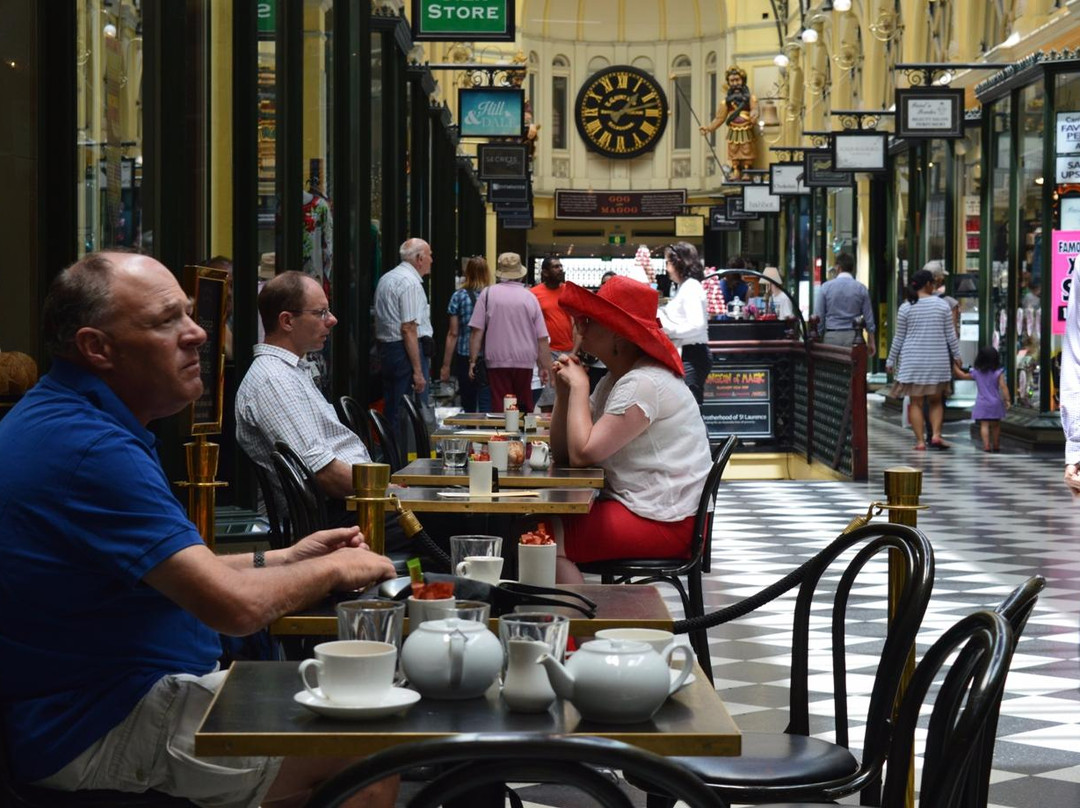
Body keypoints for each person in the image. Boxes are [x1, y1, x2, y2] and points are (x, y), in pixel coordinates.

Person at [0, 251, 398, 808]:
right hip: (93, 722)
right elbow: (228, 607)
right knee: (370, 752)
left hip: (102, 701)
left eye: (190, 314)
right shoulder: (90, 448)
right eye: (167, 322)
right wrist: (334, 566)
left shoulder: (74, 420)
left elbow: (176, 572)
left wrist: (287, 558)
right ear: (96, 348)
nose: (198, 334)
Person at [546, 276, 711, 583]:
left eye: (591, 320)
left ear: (618, 334)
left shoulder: (642, 382)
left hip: (667, 521)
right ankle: (571, 623)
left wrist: (580, 386)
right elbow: (564, 455)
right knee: (530, 530)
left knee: (536, 536)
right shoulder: (616, 379)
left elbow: (583, 455)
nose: (580, 326)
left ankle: (575, 627)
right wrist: (564, 394)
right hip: (645, 508)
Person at [886, 268, 962, 451]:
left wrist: (890, 360)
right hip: (937, 360)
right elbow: (950, 335)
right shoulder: (942, 305)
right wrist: (957, 355)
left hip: (913, 362)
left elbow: (899, 337)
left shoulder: (906, 307)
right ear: (928, 284)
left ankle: (920, 441)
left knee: (917, 403)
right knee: (936, 401)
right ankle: (936, 435)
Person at [468, 252, 552, 412]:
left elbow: (476, 332)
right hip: (525, 360)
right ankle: (523, 434)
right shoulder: (530, 297)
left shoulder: (487, 294)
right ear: (520, 274)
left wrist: (472, 361)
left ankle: (503, 435)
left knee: (501, 405)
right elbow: (541, 338)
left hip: (496, 360)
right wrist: (544, 367)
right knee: (524, 404)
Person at [374, 237, 433, 442]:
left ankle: (392, 454)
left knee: (393, 405)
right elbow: (408, 328)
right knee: (405, 409)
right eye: (429, 255)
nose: (432, 260)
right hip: (404, 352)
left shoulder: (388, 278)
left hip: (389, 349)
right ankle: (400, 460)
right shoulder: (410, 283)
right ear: (419, 258)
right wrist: (418, 371)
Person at [657, 242, 710, 404]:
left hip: (691, 355)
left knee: (690, 408)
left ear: (678, 262)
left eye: (667, 262)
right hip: (688, 354)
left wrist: (668, 330)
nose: (666, 268)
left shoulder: (691, 288)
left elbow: (697, 325)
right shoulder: (685, 287)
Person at [440, 256, 492, 412]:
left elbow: (453, 333)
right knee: (487, 403)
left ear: (467, 273)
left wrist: (446, 366)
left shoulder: (459, 296)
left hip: (465, 356)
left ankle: (470, 431)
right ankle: (487, 434)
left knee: (467, 403)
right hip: (490, 356)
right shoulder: (494, 296)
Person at [700, 65, 759, 180]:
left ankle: (747, 170)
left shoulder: (751, 98)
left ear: (743, 81)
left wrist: (754, 115)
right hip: (733, 129)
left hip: (746, 128)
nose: (735, 83)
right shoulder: (725, 102)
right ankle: (736, 170)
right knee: (733, 149)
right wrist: (708, 128)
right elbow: (719, 118)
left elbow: (755, 109)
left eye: (737, 80)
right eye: (732, 81)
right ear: (728, 83)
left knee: (747, 148)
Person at [954, 346, 1010, 452]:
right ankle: (996, 445)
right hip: (995, 403)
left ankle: (986, 445)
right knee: (996, 425)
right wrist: (1007, 400)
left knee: (984, 425)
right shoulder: (998, 372)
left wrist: (954, 366)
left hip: (982, 403)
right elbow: (1003, 387)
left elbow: (962, 375)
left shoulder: (976, 372)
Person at [818, 252, 876, 352]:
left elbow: (819, 315)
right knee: (854, 366)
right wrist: (872, 341)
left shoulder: (826, 288)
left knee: (832, 366)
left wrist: (819, 336)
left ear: (838, 267)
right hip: (854, 337)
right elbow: (868, 318)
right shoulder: (861, 289)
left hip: (831, 336)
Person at [926, 259, 960, 336]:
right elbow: (953, 333)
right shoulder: (950, 302)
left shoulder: (911, 302)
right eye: (942, 276)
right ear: (938, 279)